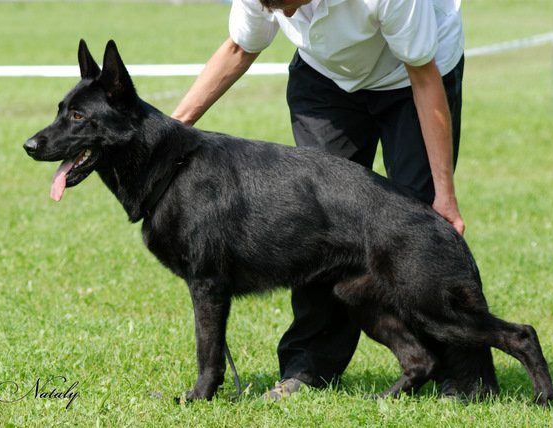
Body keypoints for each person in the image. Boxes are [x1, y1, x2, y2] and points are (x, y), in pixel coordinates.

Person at [172, 0, 466, 399]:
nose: (286, 16)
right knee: (316, 225)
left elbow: (424, 76)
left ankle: (460, 372)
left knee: (413, 230)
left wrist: (443, 196)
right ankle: (310, 368)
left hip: (411, 74)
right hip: (327, 80)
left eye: (288, 4)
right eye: (272, 7)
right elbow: (240, 48)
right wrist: (172, 132)